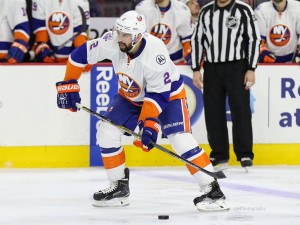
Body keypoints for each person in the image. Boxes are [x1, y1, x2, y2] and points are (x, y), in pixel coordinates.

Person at [56, 10, 229, 211]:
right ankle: (118, 187)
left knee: (180, 140)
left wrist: (148, 126)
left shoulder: (155, 54)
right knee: (106, 131)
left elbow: (157, 96)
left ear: (137, 36)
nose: (119, 37)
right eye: (118, 32)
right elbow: (79, 55)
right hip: (129, 97)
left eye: (125, 35)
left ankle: (212, 190)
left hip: (168, 96)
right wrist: (69, 83)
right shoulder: (112, 41)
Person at [191, 0, 261, 171]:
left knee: (241, 110)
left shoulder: (243, 10)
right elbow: (197, 39)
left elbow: (254, 38)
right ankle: (219, 155)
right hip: (212, 67)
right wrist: (196, 69)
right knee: (213, 112)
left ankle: (244, 154)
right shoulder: (206, 11)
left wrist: (251, 68)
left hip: (238, 67)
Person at [135, 0, 193, 64]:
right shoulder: (142, 8)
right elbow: (137, 39)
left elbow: (187, 38)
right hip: (149, 62)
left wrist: (189, 54)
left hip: (176, 62)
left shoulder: (182, 10)